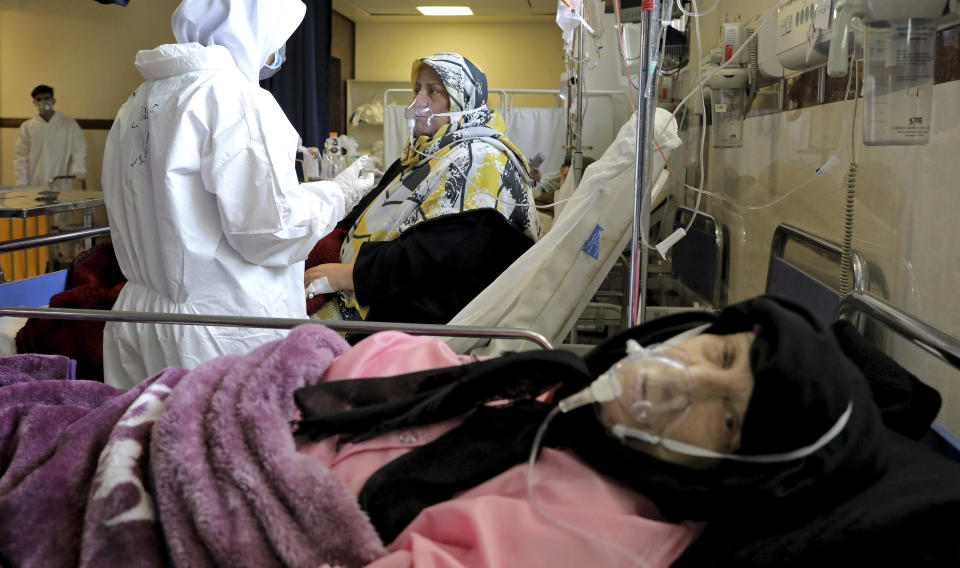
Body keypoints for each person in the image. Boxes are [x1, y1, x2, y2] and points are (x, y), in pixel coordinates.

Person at [293, 295, 960, 567]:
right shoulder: (559, 387)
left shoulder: (594, 532)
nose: (685, 381)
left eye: (727, 419)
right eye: (722, 355)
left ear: (729, 473)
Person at [101, 0, 373, 388]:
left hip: (141, 315)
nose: (276, 51)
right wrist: (336, 194)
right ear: (253, 27)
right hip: (219, 326)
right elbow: (270, 228)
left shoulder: (141, 98)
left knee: (140, 443)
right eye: (277, 37)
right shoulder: (236, 99)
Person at [305, 52, 540, 325]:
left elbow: (433, 254)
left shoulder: (480, 162)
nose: (418, 102)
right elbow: (365, 208)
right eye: (417, 90)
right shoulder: (426, 153)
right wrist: (335, 238)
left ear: (463, 100)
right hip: (365, 284)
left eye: (434, 91)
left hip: (410, 311)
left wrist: (343, 275)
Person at [15, 85, 87, 188]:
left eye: (46, 98)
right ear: (34, 102)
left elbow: (79, 149)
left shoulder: (69, 124)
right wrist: (21, 182)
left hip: (60, 181)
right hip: (35, 182)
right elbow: (20, 156)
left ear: (53, 100)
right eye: (39, 99)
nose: (43, 102)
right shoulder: (27, 127)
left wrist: (79, 170)